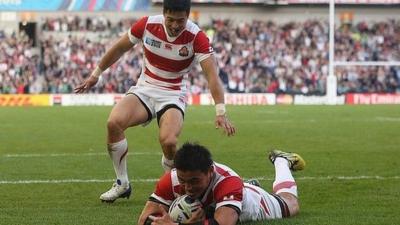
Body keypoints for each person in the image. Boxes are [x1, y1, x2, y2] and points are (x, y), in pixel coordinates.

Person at [74, 0, 235, 203]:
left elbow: (212, 75)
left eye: (181, 21)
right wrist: (96, 74)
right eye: (170, 20)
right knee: (113, 123)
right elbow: (118, 48)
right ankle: (122, 183)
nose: (175, 25)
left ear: (189, 16)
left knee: (169, 141)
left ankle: (171, 190)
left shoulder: (197, 37)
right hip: (145, 88)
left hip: (173, 94)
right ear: (163, 14)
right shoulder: (147, 25)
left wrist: (220, 111)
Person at [138, 142, 306, 225]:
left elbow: (223, 223)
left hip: (253, 204)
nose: (187, 187)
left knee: (291, 203)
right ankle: (243, 189)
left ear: (210, 171)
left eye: (194, 181)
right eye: (183, 181)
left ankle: (281, 161)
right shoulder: (171, 180)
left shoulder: (227, 180)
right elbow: (144, 219)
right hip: (228, 196)